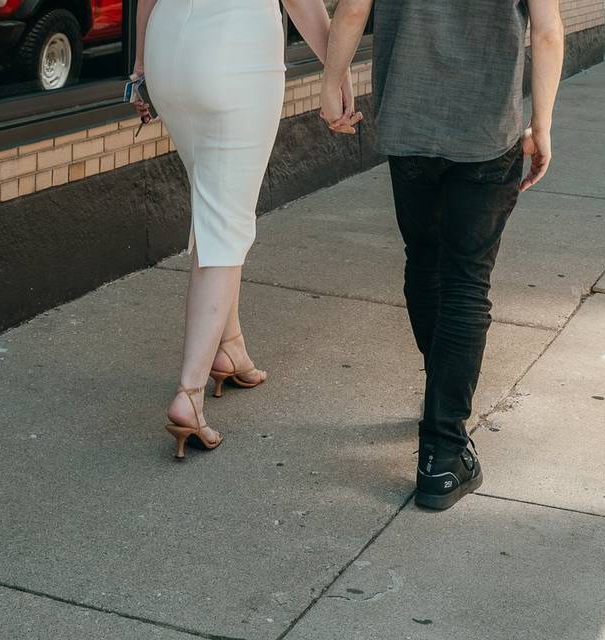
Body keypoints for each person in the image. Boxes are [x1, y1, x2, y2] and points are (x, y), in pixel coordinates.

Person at [320, 0, 564, 509]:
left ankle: (442, 403)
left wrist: (330, 82)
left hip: (408, 124)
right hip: (486, 130)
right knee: (465, 283)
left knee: (424, 262)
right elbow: (545, 31)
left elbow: (350, 12)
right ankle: (443, 452)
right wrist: (541, 124)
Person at [133, 0, 360, 459]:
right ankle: (189, 395)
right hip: (236, 54)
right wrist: (337, 78)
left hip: (168, 51)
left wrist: (139, 67)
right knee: (226, 222)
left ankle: (230, 350)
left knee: (212, 201)